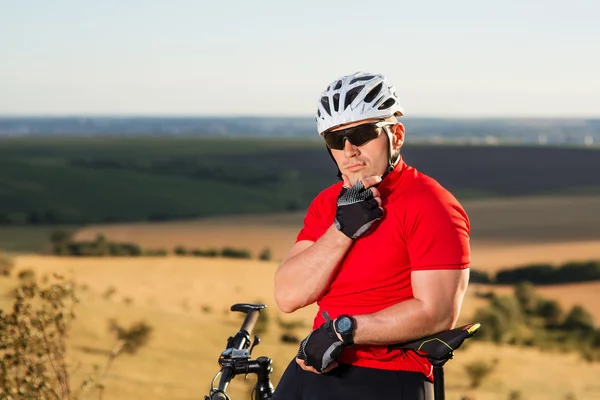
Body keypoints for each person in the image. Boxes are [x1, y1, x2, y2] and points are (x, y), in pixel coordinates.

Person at [272, 71, 471, 400]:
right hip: (313, 366)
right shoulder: (328, 203)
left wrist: (343, 331)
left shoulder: (432, 205)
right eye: (336, 140)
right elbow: (288, 295)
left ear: (397, 134)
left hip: (387, 376)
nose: (349, 150)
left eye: (362, 134)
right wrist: (342, 231)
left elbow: (437, 312)